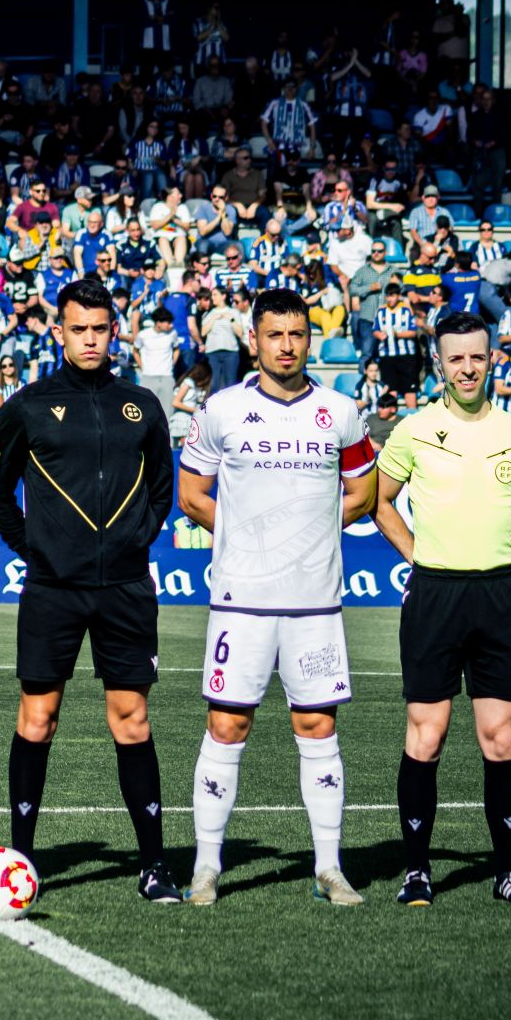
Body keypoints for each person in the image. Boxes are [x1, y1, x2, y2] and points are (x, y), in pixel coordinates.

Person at [177, 288, 378, 908]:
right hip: (241, 599)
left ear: (308, 339)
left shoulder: (342, 412)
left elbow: (364, 495)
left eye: (297, 335)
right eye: (275, 336)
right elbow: (192, 494)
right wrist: (253, 543)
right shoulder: (221, 410)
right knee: (227, 723)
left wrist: (302, 536)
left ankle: (329, 869)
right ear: (254, 341)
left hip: (315, 604)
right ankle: (206, 869)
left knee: (317, 725)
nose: (287, 346)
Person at [0, 280, 179, 901]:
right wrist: (34, 550)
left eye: (100, 328)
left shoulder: (142, 406)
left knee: (131, 719)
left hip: (125, 588)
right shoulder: (28, 405)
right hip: (53, 590)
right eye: (79, 329)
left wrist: (136, 539)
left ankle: (153, 864)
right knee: (37, 718)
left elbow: (160, 490)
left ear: (113, 331)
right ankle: (20, 859)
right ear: (60, 332)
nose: (90, 339)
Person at [373, 312, 511, 908]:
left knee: (499, 737)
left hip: (497, 595)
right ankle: (418, 872)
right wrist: (417, 552)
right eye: (455, 359)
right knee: (426, 735)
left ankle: (508, 872)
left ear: (492, 359)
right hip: (433, 596)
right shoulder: (413, 429)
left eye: (476, 357)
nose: (467, 368)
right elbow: (381, 503)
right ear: (438, 364)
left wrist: (503, 546)